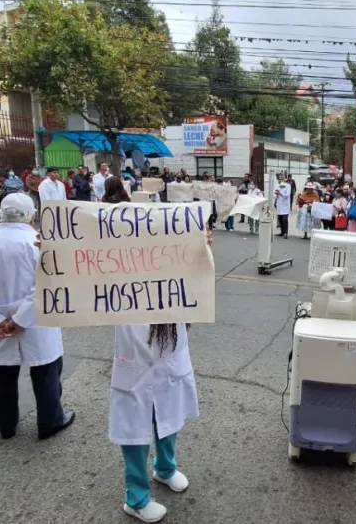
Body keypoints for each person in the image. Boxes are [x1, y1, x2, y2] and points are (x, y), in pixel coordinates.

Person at [98, 186, 210, 523]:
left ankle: (165, 467)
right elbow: (80, 279)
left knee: (169, 415)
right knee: (135, 428)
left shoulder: (176, 274)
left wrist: (202, 248)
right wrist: (53, 252)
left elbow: (200, 285)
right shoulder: (118, 273)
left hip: (171, 359)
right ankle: (135, 497)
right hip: (135, 364)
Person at [0, 194, 75, 441]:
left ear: (0, 213)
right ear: (32, 215)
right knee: (45, 371)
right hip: (36, 318)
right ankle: (50, 421)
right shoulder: (37, 243)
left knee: (4, 374)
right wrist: (21, 319)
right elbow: (45, 283)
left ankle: (6, 425)